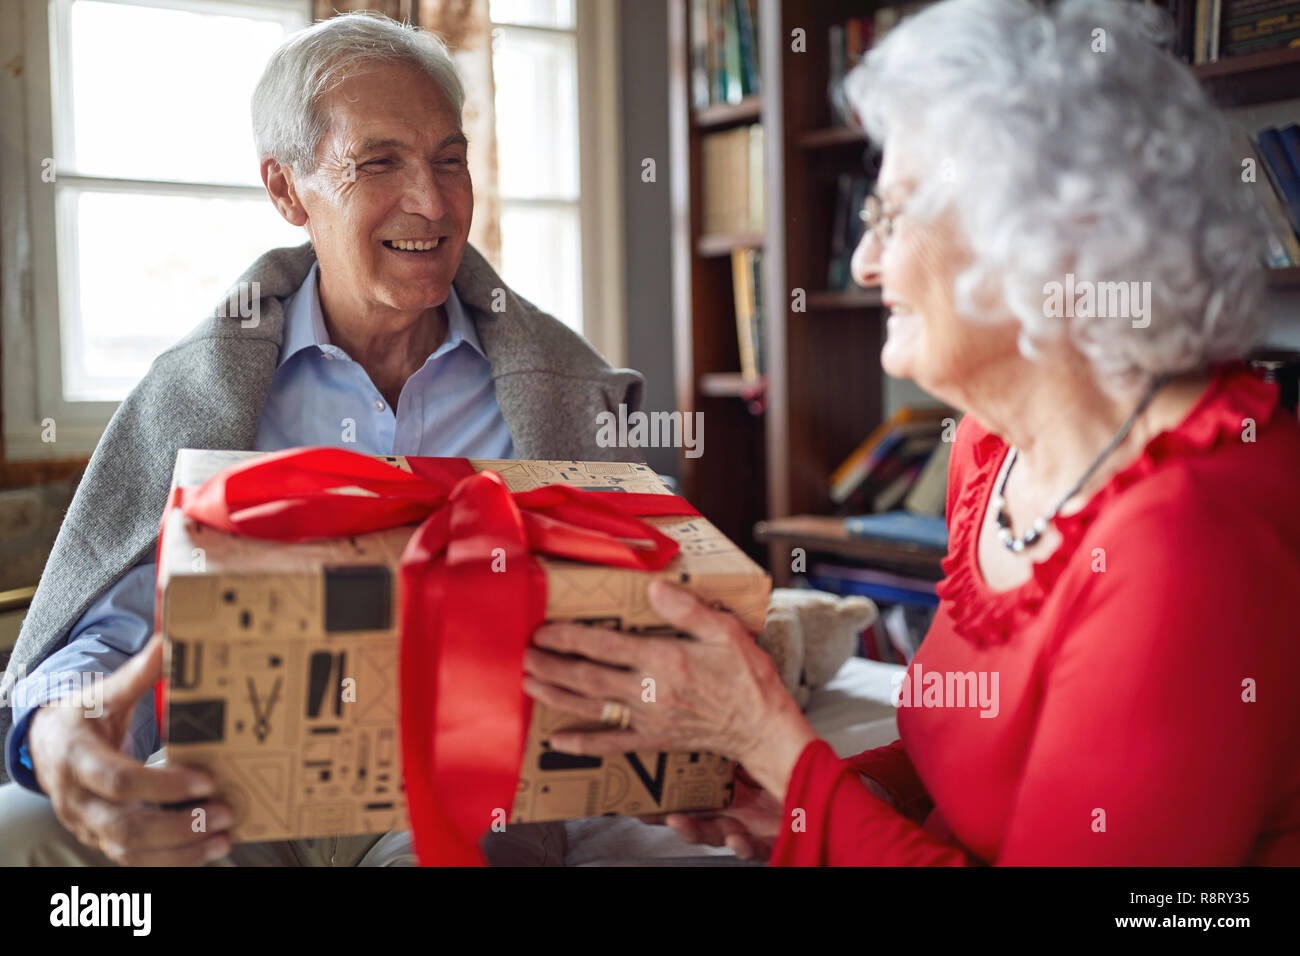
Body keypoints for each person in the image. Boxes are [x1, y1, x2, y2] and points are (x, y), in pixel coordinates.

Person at [521, 0, 1300, 865]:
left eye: (892, 216)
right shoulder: (990, 448)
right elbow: (963, 765)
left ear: (1045, 245)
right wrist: (797, 797)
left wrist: (768, 734)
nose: (861, 261)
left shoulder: (1188, 536)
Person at [0, 11, 640, 866]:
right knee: (20, 832)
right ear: (286, 189)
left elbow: (639, 615)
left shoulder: (560, 387)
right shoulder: (203, 392)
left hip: (468, 781)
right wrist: (60, 726)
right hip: (236, 787)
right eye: (381, 162)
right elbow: (112, 634)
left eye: (450, 159)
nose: (435, 201)